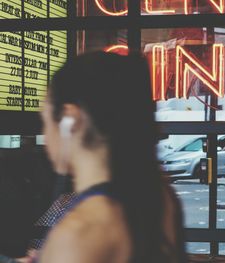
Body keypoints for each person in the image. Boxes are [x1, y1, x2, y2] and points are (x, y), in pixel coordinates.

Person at [23, 52, 185, 263]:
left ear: (70, 119)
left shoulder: (79, 232)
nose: (45, 137)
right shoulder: (161, 197)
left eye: (44, 120)